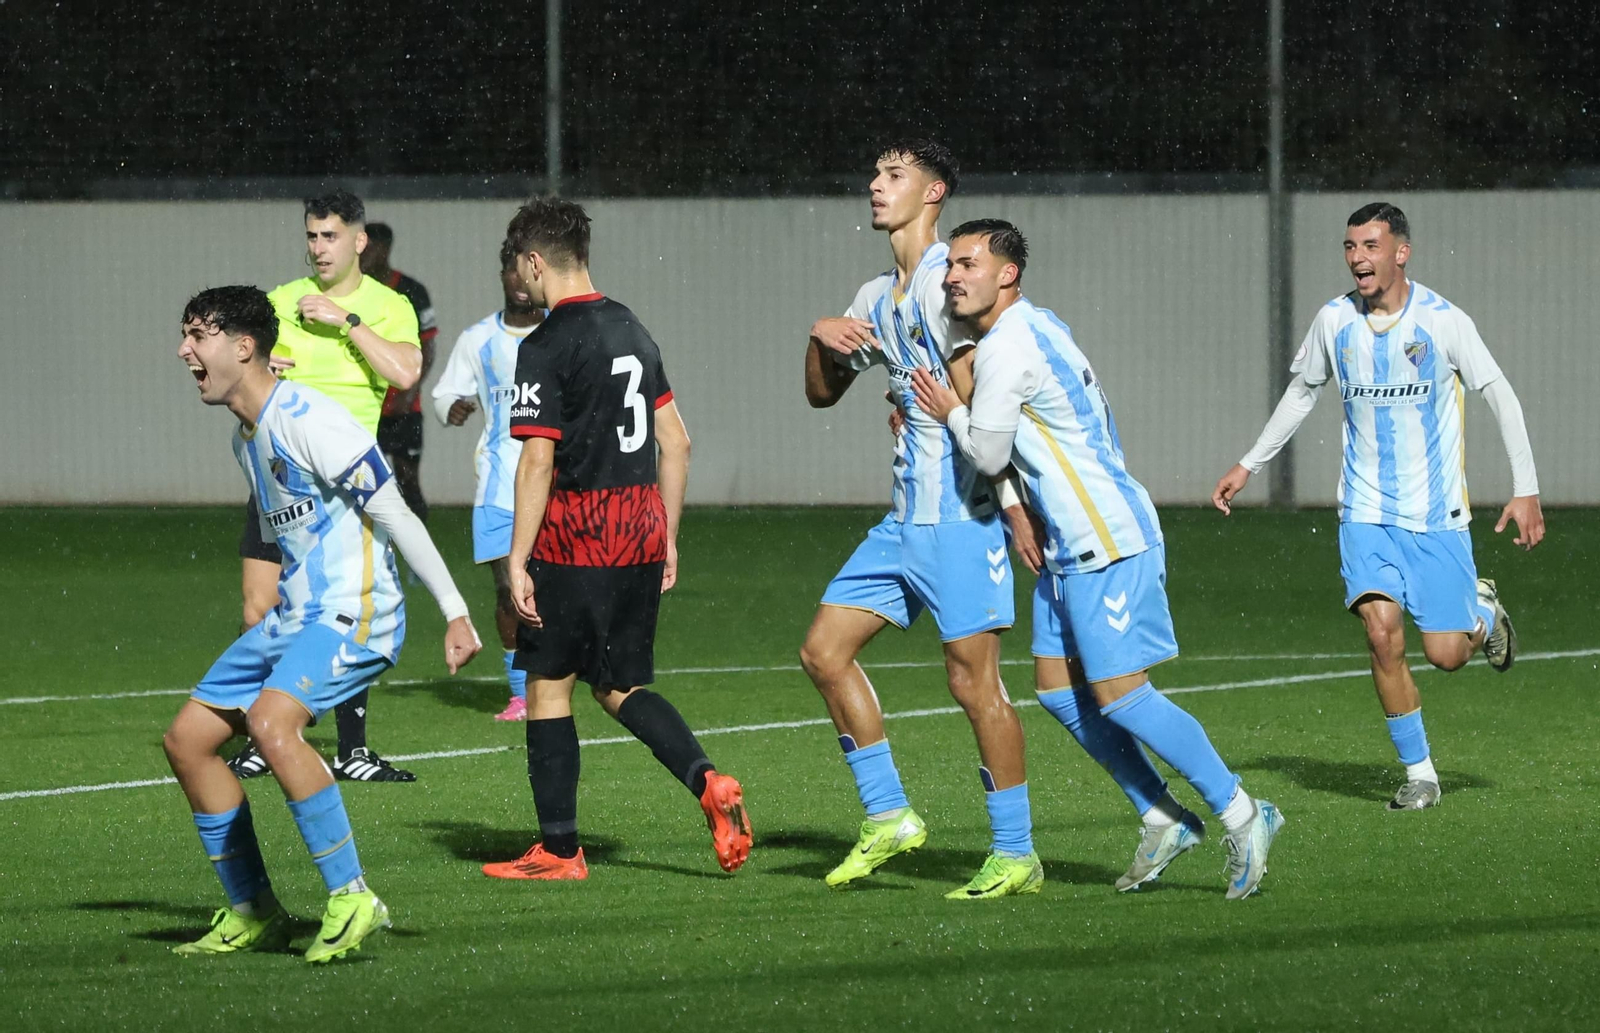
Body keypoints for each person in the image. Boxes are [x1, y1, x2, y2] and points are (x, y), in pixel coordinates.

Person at [912, 219, 1285, 900]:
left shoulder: (1008, 348)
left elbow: (990, 451)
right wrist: (1021, 507)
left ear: (1008, 273)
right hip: (1068, 542)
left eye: (968, 263)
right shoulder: (1037, 326)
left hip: (1104, 537)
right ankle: (1161, 812)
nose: (953, 274)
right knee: (1057, 689)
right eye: (950, 265)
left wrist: (948, 413)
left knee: (1123, 696)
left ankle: (1245, 813)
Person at [166, 286, 481, 962]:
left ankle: (352, 894)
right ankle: (253, 908)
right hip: (298, 614)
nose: (184, 350)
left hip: (357, 608)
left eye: (198, 335)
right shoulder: (244, 437)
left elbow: (395, 513)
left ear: (243, 346)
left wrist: (454, 610)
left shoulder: (312, 419)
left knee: (272, 723)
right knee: (188, 739)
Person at [1213, 202, 1542, 811]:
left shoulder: (1443, 322)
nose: (1358, 257)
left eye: (1370, 245)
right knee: (1381, 634)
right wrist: (1248, 463)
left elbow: (1501, 395)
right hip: (1364, 511)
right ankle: (1420, 774)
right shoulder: (1335, 321)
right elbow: (1301, 392)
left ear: (1401, 252)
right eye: (1350, 247)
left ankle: (1481, 612)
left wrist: (1526, 488)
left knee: (1445, 657)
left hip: (1435, 514)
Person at [481, 197, 752, 881]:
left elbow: (537, 459)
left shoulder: (543, 345)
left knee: (547, 685)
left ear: (535, 262)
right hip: (639, 527)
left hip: (577, 534)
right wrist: (667, 534)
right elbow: (678, 443)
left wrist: (517, 558)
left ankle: (561, 849)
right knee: (617, 683)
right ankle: (707, 780)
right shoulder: (632, 328)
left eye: (521, 268)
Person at [800, 141, 1043, 900]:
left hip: (963, 523)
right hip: (902, 524)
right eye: (873, 173)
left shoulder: (951, 283)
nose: (875, 186)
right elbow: (821, 394)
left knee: (975, 688)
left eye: (893, 175)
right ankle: (889, 817)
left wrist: (1009, 505)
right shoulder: (876, 295)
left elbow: (984, 404)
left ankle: (1016, 852)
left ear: (933, 192)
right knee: (823, 651)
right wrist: (823, 338)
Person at [230, 189, 424, 784]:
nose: (318, 247)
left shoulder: (389, 305)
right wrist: (257, 368)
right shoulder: (279, 302)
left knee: (344, 614)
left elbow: (405, 373)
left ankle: (352, 749)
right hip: (278, 481)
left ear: (359, 241)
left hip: (348, 488)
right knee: (261, 608)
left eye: (331, 236)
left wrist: (348, 322)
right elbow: (237, 366)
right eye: (312, 235)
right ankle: (267, 734)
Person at [431, 242, 546, 721]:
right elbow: (443, 392)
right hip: (499, 485)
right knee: (507, 589)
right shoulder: (478, 339)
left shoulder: (562, 334)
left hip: (557, 486)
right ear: (502, 275)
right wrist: (452, 409)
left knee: (557, 591)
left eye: (526, 272)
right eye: (511, 272)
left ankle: (563, 680)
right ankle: (521, 694)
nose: (519, 283)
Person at [362, 222, 440, 522]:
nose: (363, 254)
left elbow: (428, 346)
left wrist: (410, 391)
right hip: (368, 408)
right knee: (366, 484)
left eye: (369, 248)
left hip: (405, 408)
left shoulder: (412, 290)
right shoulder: (354, 291)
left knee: (408, 481)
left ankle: (416, 558)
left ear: (384, 249)